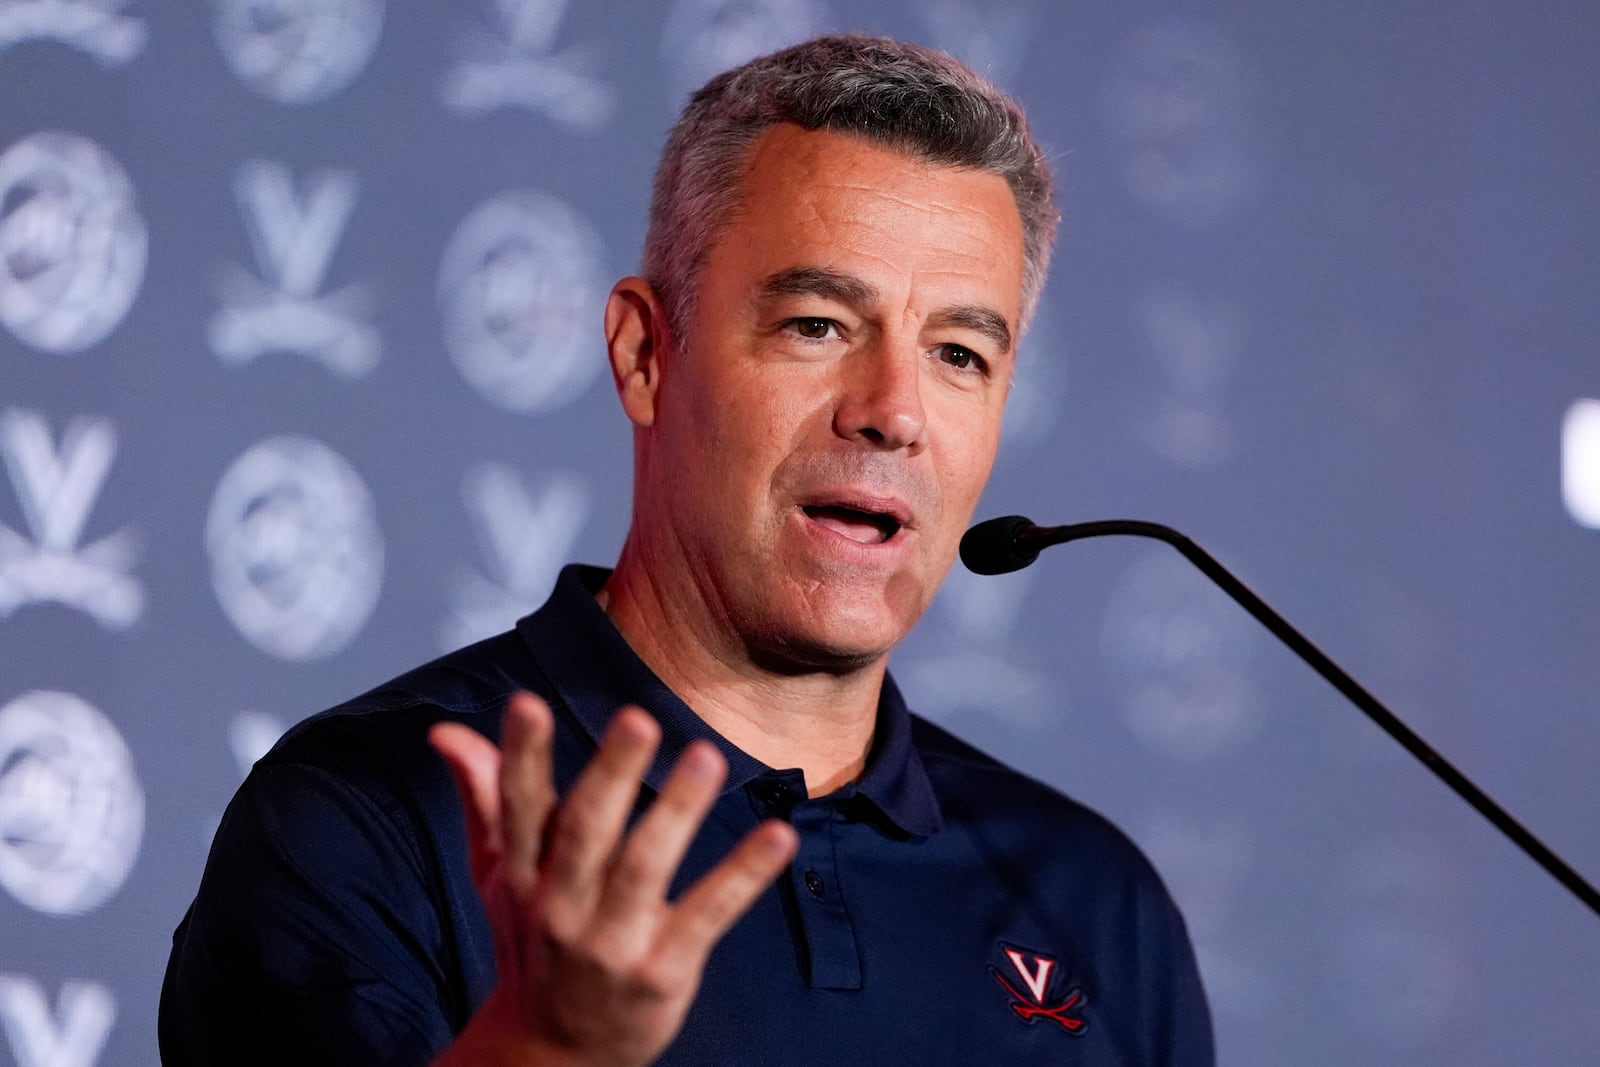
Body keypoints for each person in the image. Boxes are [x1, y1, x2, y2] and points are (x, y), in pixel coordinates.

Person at [161, 34, 1213, 1066]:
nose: (894, 412)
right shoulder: (368, 816)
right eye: (816, 325)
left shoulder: (1090, 902)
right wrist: (550, 1047)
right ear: (644, 354)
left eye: (957, 353)